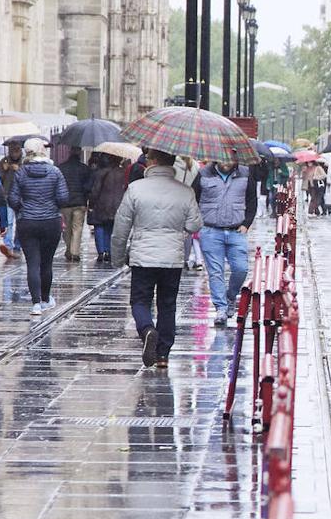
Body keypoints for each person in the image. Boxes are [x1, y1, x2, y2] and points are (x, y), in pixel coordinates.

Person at [112, 149, 203, 368]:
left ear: (152, 162)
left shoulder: (135, 189)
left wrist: (117, 257)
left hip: (143, 256)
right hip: (172, 257)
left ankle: (147, 329)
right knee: (167, 304)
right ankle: (163, 354)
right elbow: (194, 224)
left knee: (140, 300)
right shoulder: (185, 191)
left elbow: (121, 226)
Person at [8, 138, 69, 315]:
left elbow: (12, 199)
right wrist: (51, 206)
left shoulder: (20, 173)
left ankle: (35, 304)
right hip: (51, 222)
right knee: (47, 262)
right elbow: (63, 198)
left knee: (32, 263)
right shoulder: (55, 172)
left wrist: (23, 209)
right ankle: (45, 299)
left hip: (27, 222)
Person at [193, 159, 257, 326]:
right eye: (223, 158)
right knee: (215, 272)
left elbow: (252, 201)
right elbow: (193, 199)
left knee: (241, 269)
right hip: (210, 230)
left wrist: (246, 224)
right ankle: (221, 308)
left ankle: (230, 296)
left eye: (230, 158)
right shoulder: (203, 174)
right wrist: (197, 224)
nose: (227, 162)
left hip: (236, 231)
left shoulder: (245, 174)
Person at [87, 155, 126, 264]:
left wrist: (91, 203)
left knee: (99, 226)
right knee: (111, 227)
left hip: (102, 204)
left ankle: (101, 252)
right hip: (118, 204)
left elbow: (95, 191)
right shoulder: (123, 173)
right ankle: (109, 251)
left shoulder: (100, 173)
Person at [58, 146, 92, 262]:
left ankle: (68, 249)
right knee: (77, 228)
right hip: (79, 202)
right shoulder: (85, 169)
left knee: (66, 229)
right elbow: (88, 187)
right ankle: (75, 252)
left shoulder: (61, 168)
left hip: (65, 203)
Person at [0, 139, 23, 259]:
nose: (14, 153)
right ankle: (8, 245)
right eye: (12, 150)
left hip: (21, 196)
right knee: (9, 221)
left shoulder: (25, 162)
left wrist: (19, 169)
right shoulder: (4, 161)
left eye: (16, 150)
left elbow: (27, 176)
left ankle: (18, 246)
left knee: (20, 222)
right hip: (7, 194)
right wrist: (4, 169)